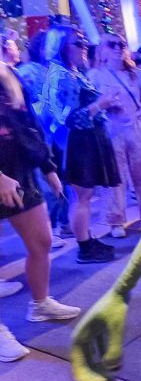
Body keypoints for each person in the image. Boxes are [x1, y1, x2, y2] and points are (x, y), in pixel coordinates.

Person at [0, 62, 80, 361]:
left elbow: (29, 124)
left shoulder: (7, 73)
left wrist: (48, 168)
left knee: (42, 242)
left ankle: (40, 303)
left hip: (19, 173)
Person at [42, 26, 121, 263]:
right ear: (62, 47)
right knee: (82, 196)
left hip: (88, 140)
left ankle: (86, 239)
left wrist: (104, 107)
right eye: (78, 43)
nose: (84, 47)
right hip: (78, 143)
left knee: (84, 196)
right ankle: (84, 247)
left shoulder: (72, 72)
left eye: (84, 42)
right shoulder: (62, 75)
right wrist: (100, 105)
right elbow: (66, 118)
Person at [89, 34, 141, 238]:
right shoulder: (95, 75)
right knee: (115, 177)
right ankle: (116, 220)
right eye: (112, 44)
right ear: (103, 48)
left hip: (134, 128)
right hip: (110, 130)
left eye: (121, 44)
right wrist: (106, 106)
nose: (118, 48)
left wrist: (137, 114)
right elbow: (90, 107)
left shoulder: (136, 74)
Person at [16, 31, 72, 242]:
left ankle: (63, 224)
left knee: (63, 179)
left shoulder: (57, 71)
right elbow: (25, 105)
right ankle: (51, 230)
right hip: (41, 137)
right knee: (48, 183)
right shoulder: (28, 71)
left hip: (59, 135)